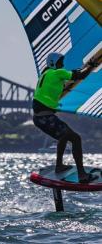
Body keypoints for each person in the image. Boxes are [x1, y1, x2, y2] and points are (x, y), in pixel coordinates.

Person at [32, 52, 97, 183]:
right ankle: (82, 175)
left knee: (64, 136)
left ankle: (59, 166)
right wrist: (90, 66)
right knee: (75, 138)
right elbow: (80, 75)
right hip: (45, 118)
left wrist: (81, 69)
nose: (63, 65)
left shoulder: (46, 74)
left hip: (40, 118)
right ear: (54, 63)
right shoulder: (57, 73)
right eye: (61, 62)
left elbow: (73, 74)